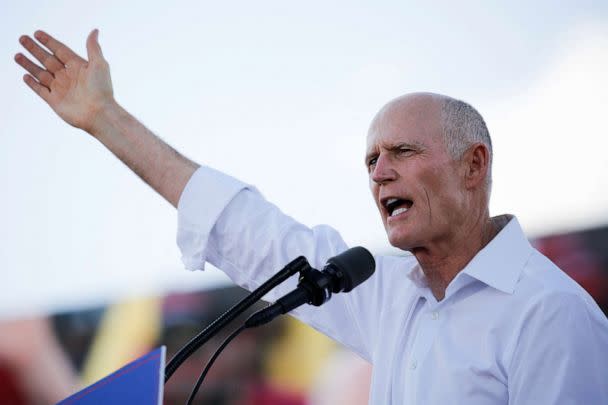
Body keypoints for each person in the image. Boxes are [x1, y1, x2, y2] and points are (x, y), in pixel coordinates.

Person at [14, 29, 608, 404]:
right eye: (371, 160)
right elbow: (252, 234)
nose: (379, 172)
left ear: (473, 166)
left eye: (402, 152)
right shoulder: (391, 295)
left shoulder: (549, 313)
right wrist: (106, 121)